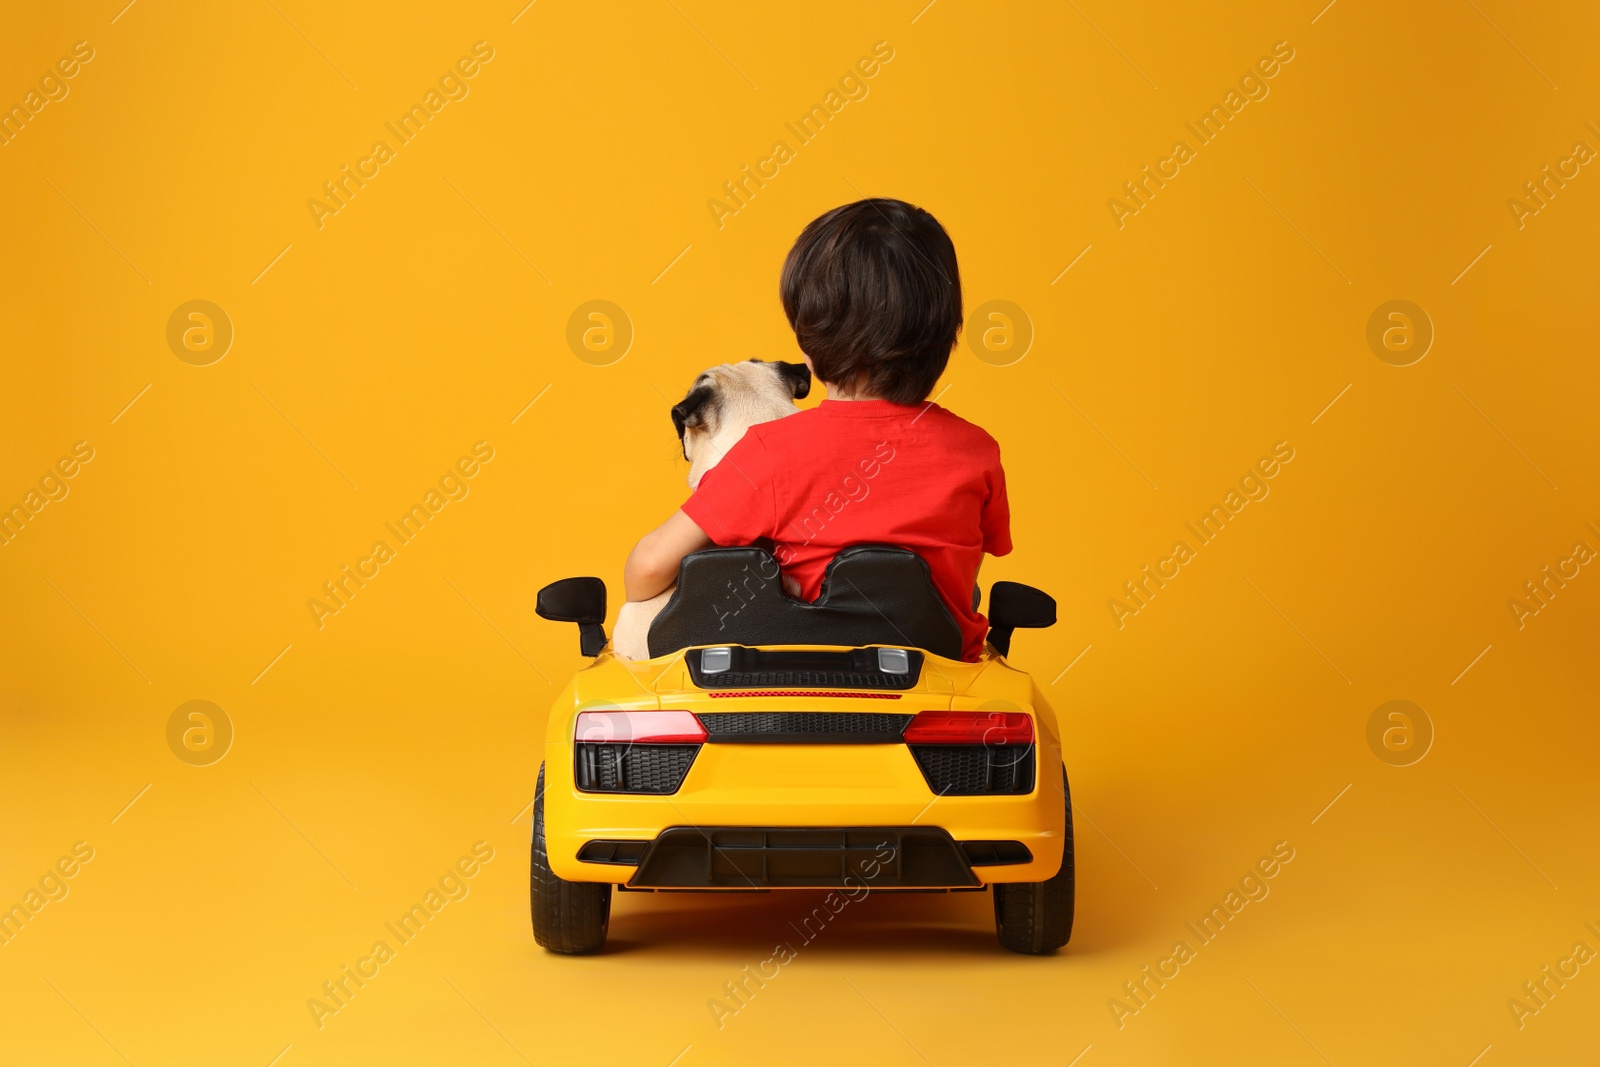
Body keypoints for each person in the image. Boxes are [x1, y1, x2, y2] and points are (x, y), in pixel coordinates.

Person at [622, 198, 1011, 661]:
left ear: (808, 341)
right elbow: (965, 576)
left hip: (791, 686)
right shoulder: (976, 452)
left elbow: (646, 570)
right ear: (946, 336)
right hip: (936, 683)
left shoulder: (768, 451)